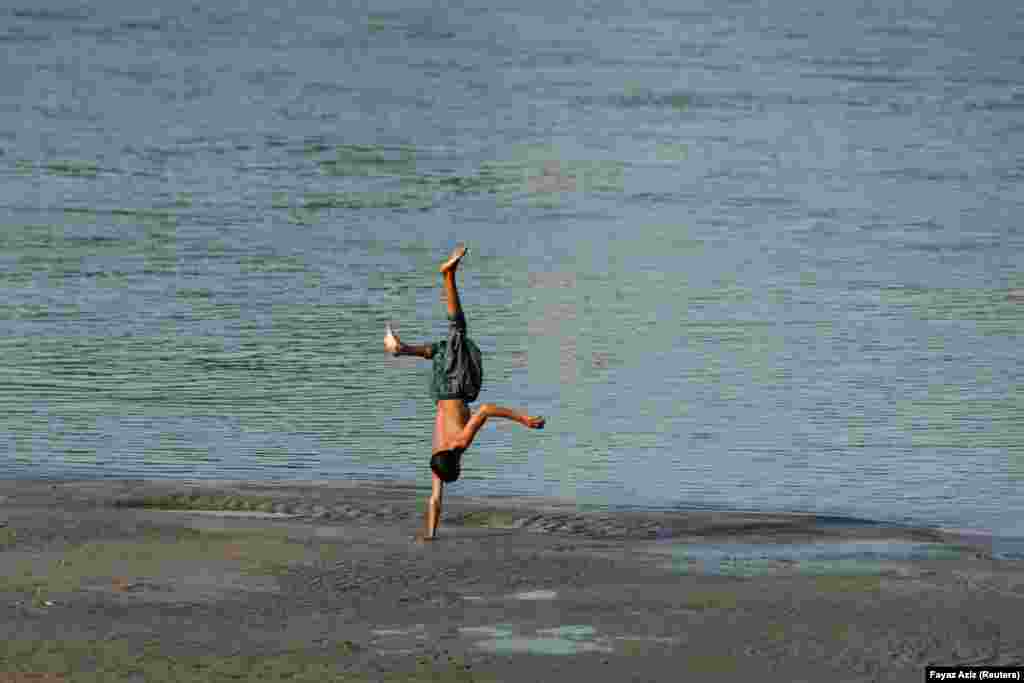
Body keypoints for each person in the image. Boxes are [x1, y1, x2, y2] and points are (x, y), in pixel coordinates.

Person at [384, 244, 545, 542]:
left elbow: (485, 410)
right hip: (440, 391)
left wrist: (524, 420)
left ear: (455, 462)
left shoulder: (458, 444)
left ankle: (449, 275)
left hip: (455, 386)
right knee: (444, 349)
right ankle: (401, 349)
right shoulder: (435, 456)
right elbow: (434, 499)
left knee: (457, 329)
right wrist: (429, 536)